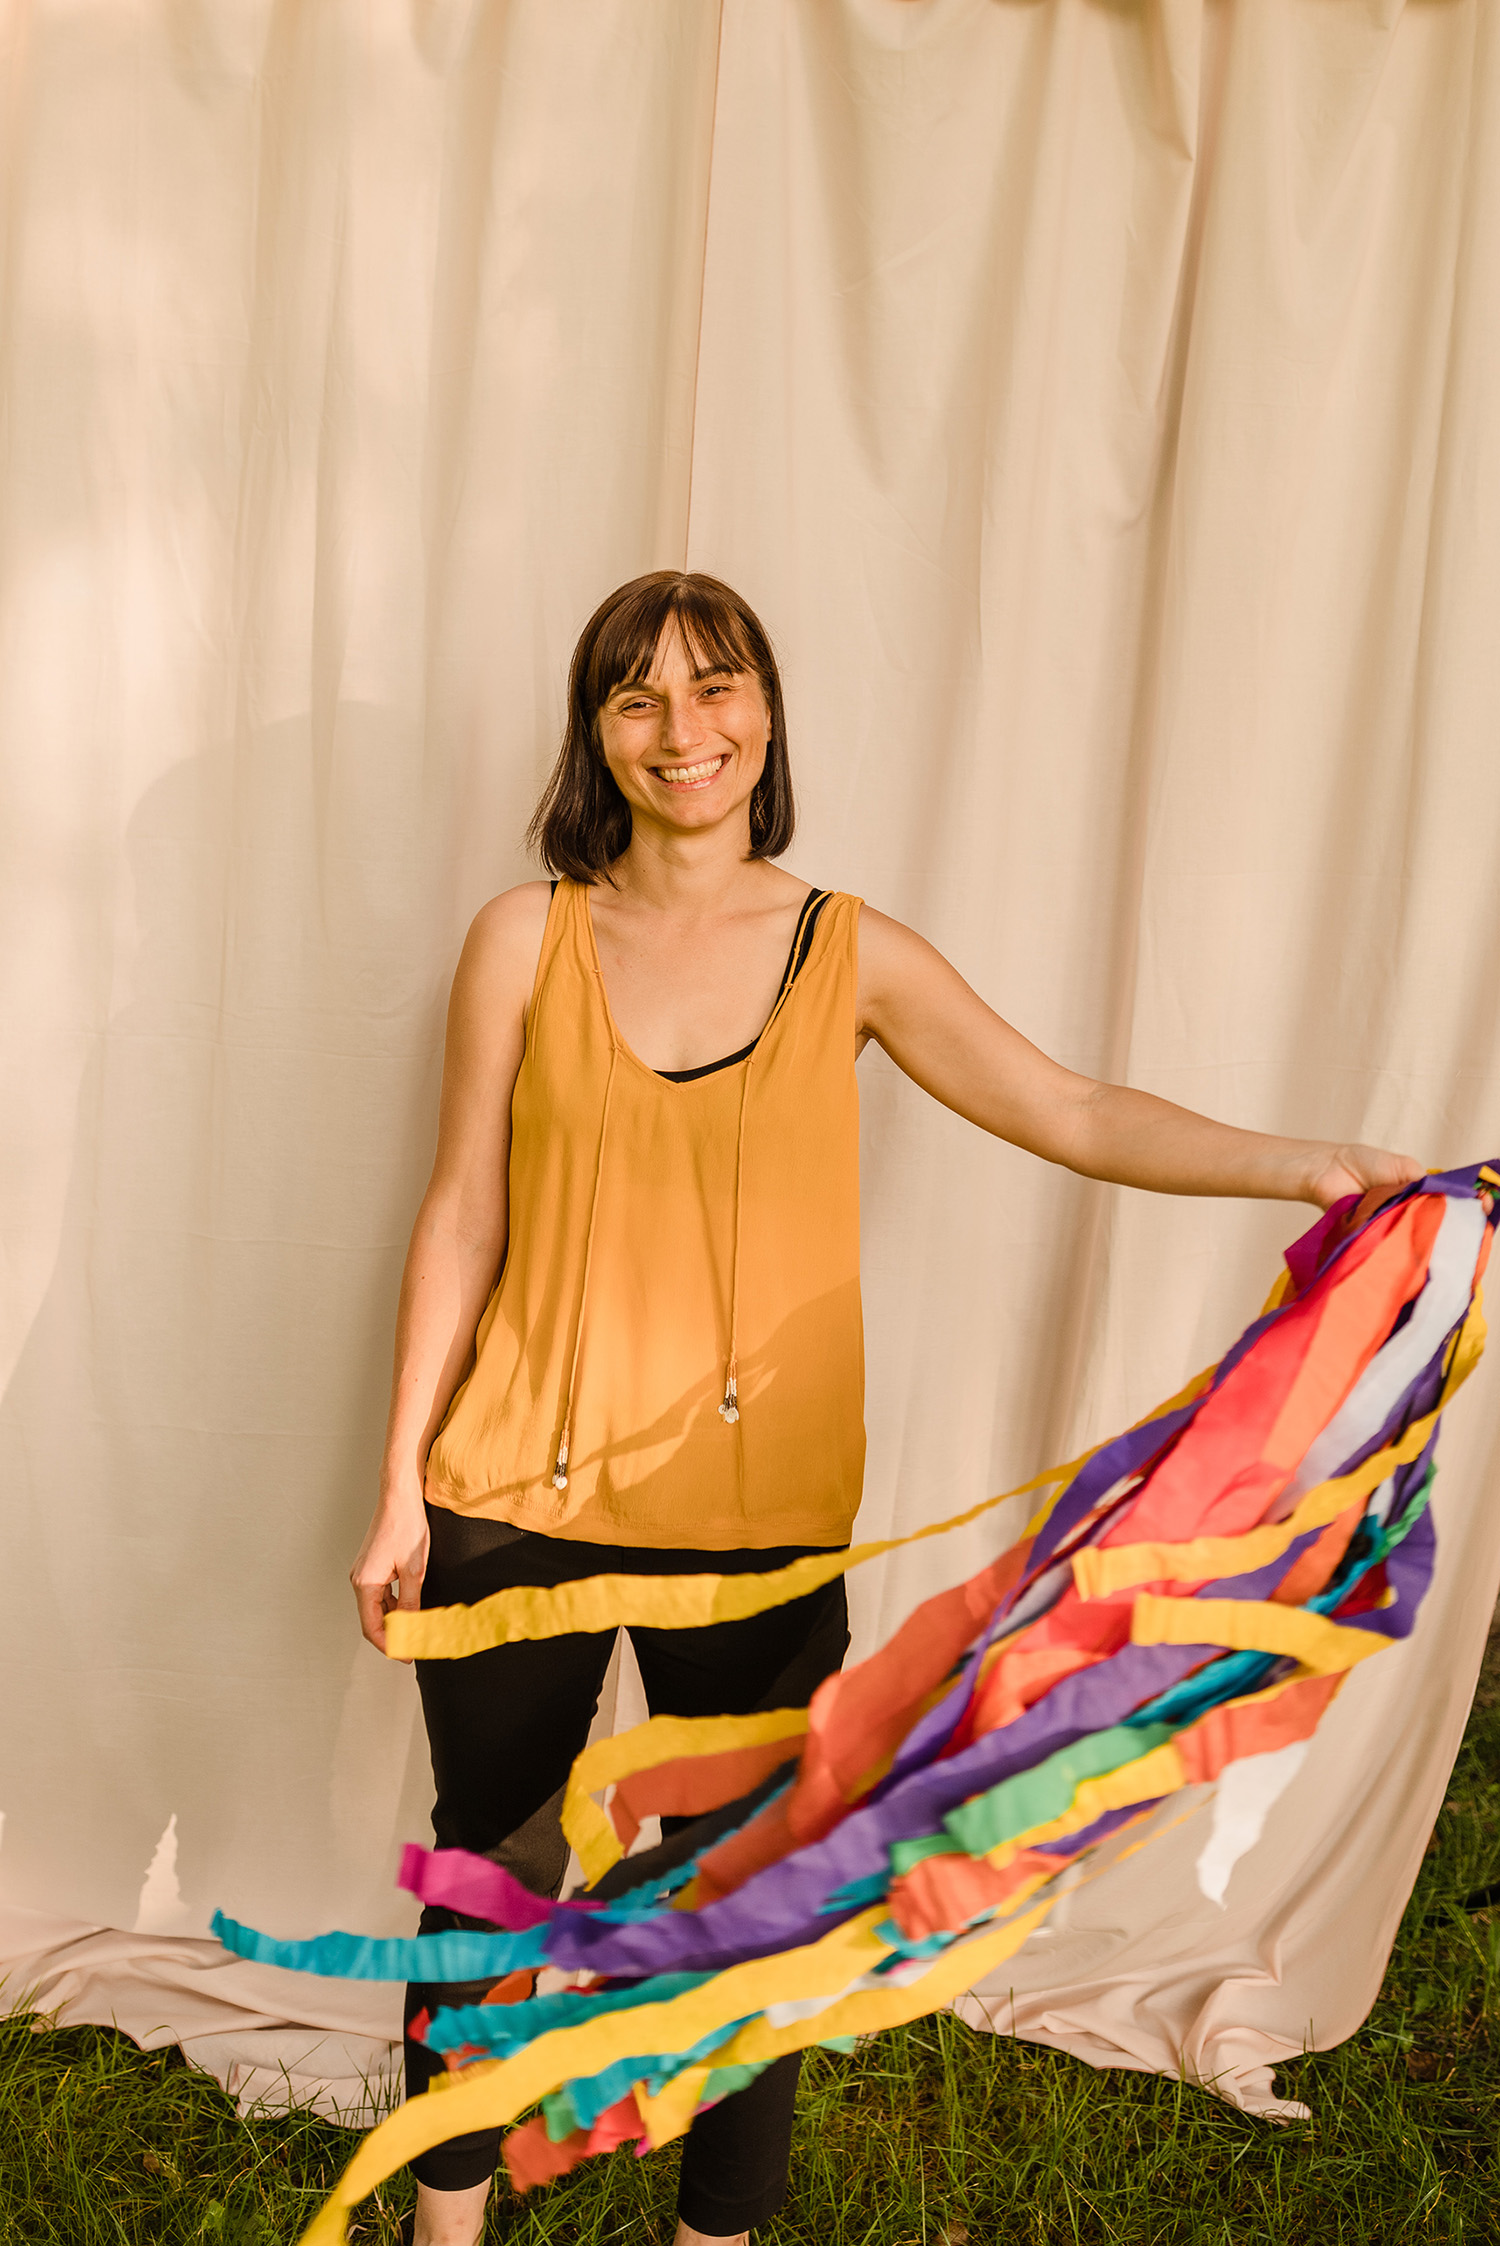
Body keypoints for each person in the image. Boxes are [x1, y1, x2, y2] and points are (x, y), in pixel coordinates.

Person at [350, 570, 1420, 2246]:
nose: (682, 729)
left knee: (756, 1901)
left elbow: (1072, 1107)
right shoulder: (523, 937)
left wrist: (1310, 1165)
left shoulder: (845, 950)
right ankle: (444, 2228)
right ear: (596, 732)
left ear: (766, 712)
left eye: (716, 685)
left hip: (758, 1524)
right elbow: (462, 1212)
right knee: (490, 1877)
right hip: (513, 1501)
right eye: (638, 695)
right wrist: (403, 1482)